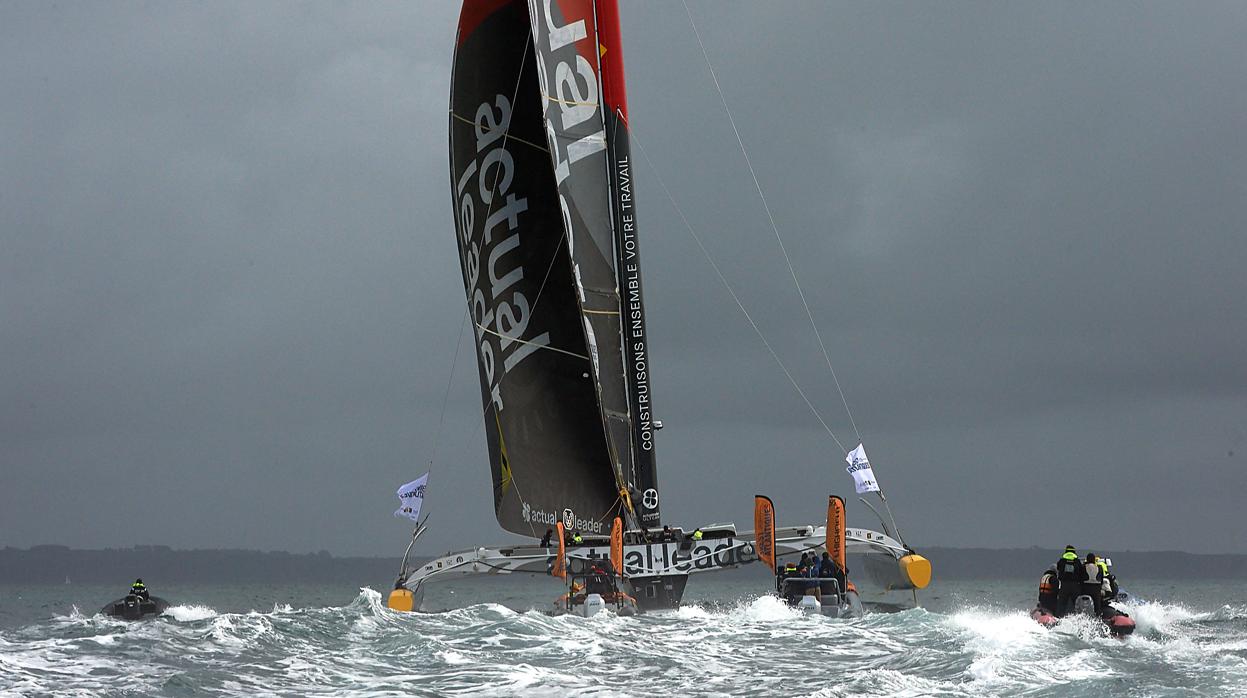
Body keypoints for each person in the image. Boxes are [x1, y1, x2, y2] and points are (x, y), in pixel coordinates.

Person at [1054, 545, 1081, 616]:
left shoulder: (1062, 560)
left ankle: (1058, 618)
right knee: (1077, 604)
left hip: (1064, 584)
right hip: (1075, 585)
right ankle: (1079, 618)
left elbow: (1058, 567)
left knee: (1061, 604)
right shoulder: (1077, 561)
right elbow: (1080, 571)